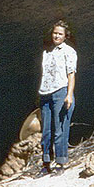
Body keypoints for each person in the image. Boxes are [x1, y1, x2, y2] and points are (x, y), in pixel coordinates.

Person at [37, 20, 77, 176]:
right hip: (45, 93)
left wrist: (69, 95)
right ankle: (45, 164)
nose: (56, 36)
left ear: (65, 36)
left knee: (59, 129)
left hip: (61, 92)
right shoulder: (47, 52)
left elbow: (71, 74)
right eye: (55, 33)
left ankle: (60, 163)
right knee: (46, 131)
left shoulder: (69, 52)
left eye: (60, 34)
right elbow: (45, 75)